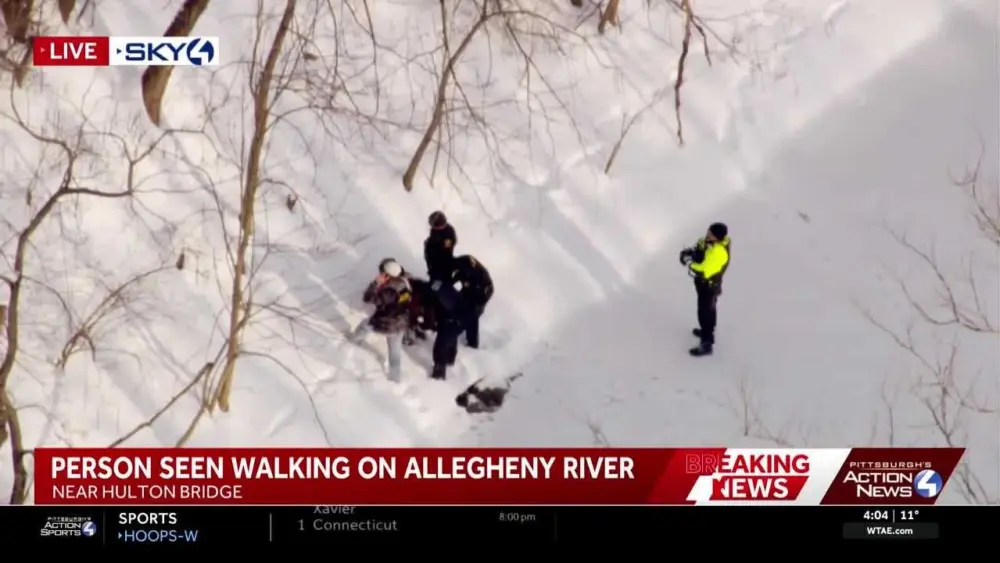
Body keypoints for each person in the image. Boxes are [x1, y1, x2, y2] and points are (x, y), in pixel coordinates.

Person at [350, 259, 413, 381]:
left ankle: (352, 340)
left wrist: (375, 283)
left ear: (386, 275)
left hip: (384, 323)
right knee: (395, 353)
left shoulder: (387, 291)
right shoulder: (404, 284)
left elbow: (368, 298)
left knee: (364, 325)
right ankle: (395, 378)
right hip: (401, 324)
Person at [679, 222, 731, 357]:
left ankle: (707, 342)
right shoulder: (708, 241)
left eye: (711, 234)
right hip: (704, 284)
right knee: (709, 308)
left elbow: (705, 270)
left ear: (717, 238)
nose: (707, 235)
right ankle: (707, 331)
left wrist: (689, 263)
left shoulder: (719, 252)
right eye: (708, 231)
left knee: (705, 311)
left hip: (709, 285)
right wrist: (691, 252)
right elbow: (700, 247)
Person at [428, 278, 471, 380]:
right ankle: (450, 360)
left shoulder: (445, 297)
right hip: (456, 323)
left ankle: (439, 373)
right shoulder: (452, 292)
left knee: (440, 347)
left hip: (449, 323)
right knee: (451, 342)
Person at [450, 255, 493, 349]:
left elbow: (487, 291)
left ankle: (471, 343)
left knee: (471, 316)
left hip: (480, 296)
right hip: (469, 291)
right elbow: (455, 277)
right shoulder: (463, 264)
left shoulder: (480, 275)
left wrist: (479, 303)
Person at [424, 211, 457, 282]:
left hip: (447, 260)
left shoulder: (449, 230)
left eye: (442, 221)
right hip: (436, 266)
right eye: (438, 224)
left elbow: (451, 243)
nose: (442, 225)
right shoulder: (433, 235)